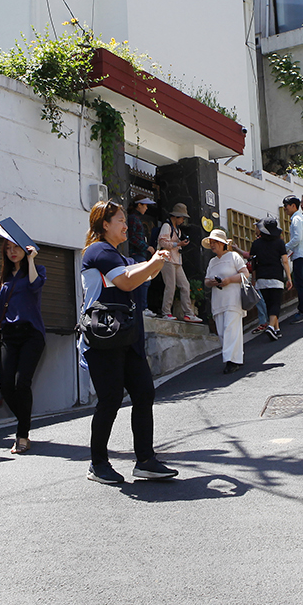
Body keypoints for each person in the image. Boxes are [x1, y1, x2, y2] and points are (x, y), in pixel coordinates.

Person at [81, 200, 179, 484]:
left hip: (127, 338)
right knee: (110, 400)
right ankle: (98, 464)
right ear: (104, 225)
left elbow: (144, 274)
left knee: (144, 393)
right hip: (103, 339)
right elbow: (125, 281)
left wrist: (157, 261)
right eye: (121, 220)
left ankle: (145, 461)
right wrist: (153, 262)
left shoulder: (119, 256)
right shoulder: (98, 250)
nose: (126, 225)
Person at [0, 237, 47, 454]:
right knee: (5, 385)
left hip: (31, 334)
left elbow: (34, 285)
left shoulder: (37, 270)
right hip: (9, 335)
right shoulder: (4, 277)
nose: (12, 251)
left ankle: (22, 434)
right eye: (8, 248)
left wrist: (31, 260)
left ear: (26, 249)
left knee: (22, 382)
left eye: (16, 247)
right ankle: (25, 419)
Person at [202, 229, 249, 373]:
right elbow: (206, 281)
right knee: (223, 331)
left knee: (230, 329)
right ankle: (235, 358)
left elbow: (245, 274)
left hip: (233, 299)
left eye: (215, 242)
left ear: (222, 243)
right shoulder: (212, 262)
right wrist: (213, 282)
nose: (212, 245)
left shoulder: (234, 256)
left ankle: (231, 361)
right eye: (211, 242)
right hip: (219, 301)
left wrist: (229, 280)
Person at [157, 202, 201, 322]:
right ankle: (166, 312)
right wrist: (178, 244)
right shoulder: (167, 226)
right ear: (176, 216)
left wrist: (180, 244)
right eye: (182, 217)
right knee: (170, 287)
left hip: (177, 261)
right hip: (167, 259)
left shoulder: (177, 229)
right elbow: (162, 242)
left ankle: (188, 313)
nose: (183, 220)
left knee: (185, 285)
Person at [248, 217, 290, 340]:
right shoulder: (279, 242)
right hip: (276, 275)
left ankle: (276, 330)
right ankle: (271, 327)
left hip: (261, 277)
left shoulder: (256, 244)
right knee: (275, 304)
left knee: (269, 304)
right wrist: (289, 277)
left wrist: (254, 278)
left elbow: (253, 262)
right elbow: (285, 261)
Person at [283, 194, 303, 323]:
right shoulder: (301, 218)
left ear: (292, 206)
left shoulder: (296, 219)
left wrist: (285, 247)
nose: (284, 208)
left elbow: (297, 238)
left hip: (301, 256)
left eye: (286, 206)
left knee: (300, 284)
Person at [127, 197, 156, 317]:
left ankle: (141, 307)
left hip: (139, 254)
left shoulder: (136, 218)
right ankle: (142, 308)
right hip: (137, 254)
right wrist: (146, 247)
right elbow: (133, 237)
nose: (146, 208)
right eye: (145, 205)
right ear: (138, 205)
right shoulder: (133, 218)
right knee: (143, 281)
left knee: (143, 281)